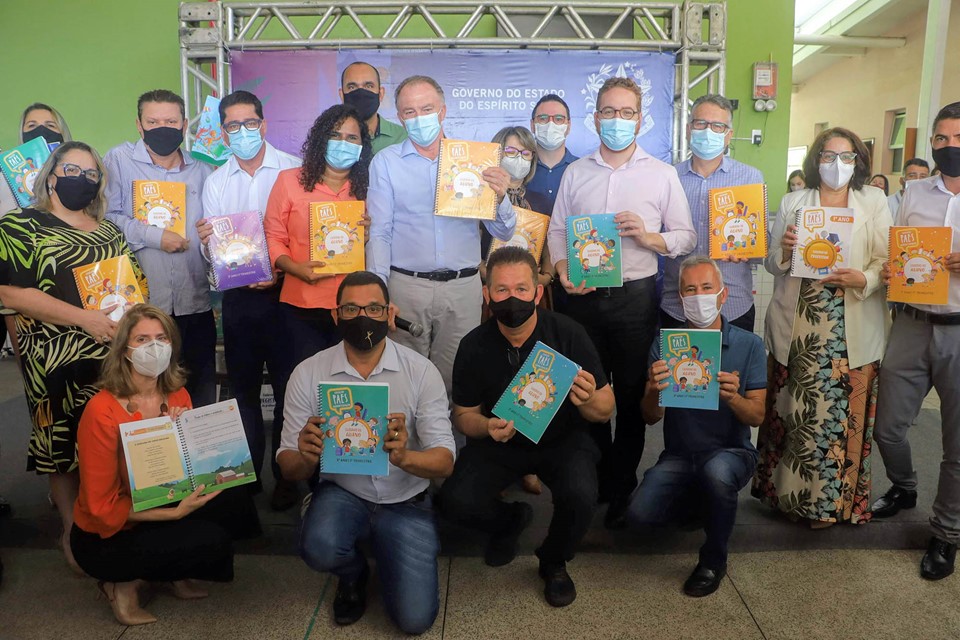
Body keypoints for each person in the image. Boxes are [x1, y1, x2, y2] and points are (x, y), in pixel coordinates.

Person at [546, 76, 696, 528]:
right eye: (609, 112)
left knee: (630, 399)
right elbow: (557, 230)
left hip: (634, 299)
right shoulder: (577, 172)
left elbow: (686, 237)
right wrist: (562, 269)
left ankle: (620, 486)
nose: (617, 120)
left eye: (626, 113)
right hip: (582, 300)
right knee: (587, 393)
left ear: (640, 118)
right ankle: (592, 480)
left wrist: (650, 238)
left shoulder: (661, 173)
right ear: (595, 119)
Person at [278, 271, 456, 634]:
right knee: (320, 547)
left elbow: (445, 461)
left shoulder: (421, 372)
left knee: (414, 620)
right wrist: (306, 456)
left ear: (389, 314)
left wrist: (405, 457)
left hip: (406, 500)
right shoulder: (308, 373)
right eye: (351, 309)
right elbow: (287, 465)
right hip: (343, 492)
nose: (363, 317)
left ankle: (393, 555)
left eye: (374, 308)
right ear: (336, 315)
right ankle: (352, 572)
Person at [0, 142, 147, 573]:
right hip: (53, 356)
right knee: (61, 443)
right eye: (71, 170)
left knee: (112, 439)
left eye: (90, 173)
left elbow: (135, 286)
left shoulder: (108, 231)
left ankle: (113, 518)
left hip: (113, 357)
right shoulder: (19, 225)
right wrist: (85, 320)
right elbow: (10, 292)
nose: (81, 179)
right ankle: (72, 529)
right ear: (51, 176)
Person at [439, 246, 614, 607]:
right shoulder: (473, 345)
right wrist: (487, 427)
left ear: (537, 292)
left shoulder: (568, 333)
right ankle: (509, 521)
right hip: (501, 441)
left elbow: (605, 409)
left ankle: (554, 560)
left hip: (562, 439)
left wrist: (586, 400)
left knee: (581, 496)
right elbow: (463, 415)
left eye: (521, 289)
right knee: (454, 501)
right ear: (487, 294)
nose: (512, 299)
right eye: (501, 290)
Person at [753, 127, 891, 528]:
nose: (837, 165)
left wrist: (863, 278)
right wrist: (785, 251)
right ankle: (784, 497)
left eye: (846, 157)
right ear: (816, 160)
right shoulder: (795, 200)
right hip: (799, 322)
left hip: (850, 320)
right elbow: (771, 262)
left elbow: (887, 259)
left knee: (835, 417)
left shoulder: (873, 200)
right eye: (828, 156)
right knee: (794, 412)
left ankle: (829, 506)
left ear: (858, 162)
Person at [72, 304, 234, 626]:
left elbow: (184, 473)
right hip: (108, 533)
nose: (154, 347)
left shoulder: (178, 395)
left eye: (162, 338)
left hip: (158, 500)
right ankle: (120, 585)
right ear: (124, 350)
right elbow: (100, 508)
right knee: (207, 538)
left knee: (235, 500)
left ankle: (172, 574)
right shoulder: (101, 410)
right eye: (142, 339)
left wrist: (185, 435)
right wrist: (175, 513)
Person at [365, 74, 515, 402]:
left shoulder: (474, 162)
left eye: (427, 109)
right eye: (409, 112)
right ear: (399, 117)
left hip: (463, 289)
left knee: (459, 382)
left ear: (443, 111)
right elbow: (379, 233)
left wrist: (501, 197)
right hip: (406, 287)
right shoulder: (386, 163)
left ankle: (454, 439)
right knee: (403, 383)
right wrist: (378, 292)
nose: (419, 118)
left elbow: (504, 232)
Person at [629, 256, 766, 597]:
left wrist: (733, 398)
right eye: (690, 289)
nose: (699, 296)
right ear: (680, 298)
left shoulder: (749, 344)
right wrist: (653, 390)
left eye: (707, 287)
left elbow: (757, 416)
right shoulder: (665, 344)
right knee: (639, 516)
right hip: (680, 454)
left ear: (723, 294)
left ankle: (713, 560)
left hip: (731, 452)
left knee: (717, 473)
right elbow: (650, 416)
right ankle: (702, 502)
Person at [197, 90, 303, 511]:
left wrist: (279, 269)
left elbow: (304, 233)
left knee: (289, 390)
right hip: (240, 299)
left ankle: (286, 476)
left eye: (250, 122)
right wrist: (207, 242)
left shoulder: (295, 169)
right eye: (233, 125)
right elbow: (212, 251)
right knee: (242, 392)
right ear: (223, 133)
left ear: (264, 123)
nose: (243, 131)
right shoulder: (216, 182)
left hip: (288, 295)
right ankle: (245, 480)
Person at [871, 102, 960, 580]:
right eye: (942, 138)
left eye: (958, 138)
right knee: (887, 428)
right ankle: (904, 486)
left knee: (957, 446)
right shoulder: (914, 192)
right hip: (910, 322)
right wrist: (892, 271)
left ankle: (946, 532)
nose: (950, 146)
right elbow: (899, 250)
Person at [104, 89, 216, 407]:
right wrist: (155, 236)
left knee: (198, 395)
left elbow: (214, 231)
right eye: (153, 122)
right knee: (143, 398)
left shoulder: (203, 172)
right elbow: (107, 218)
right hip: (141, 309)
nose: (161, 128)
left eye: (170, 121)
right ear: (139, 125)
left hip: (194, 304)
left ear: (184, 125)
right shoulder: (118, 160)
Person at [264, 104, 373, 369]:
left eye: (351, 138)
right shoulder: (288, 181)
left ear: (362, 146)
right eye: (335, 135)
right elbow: (273, 236)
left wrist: (368, 235)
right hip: (301, 303)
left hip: (353, 306)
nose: (342, 143)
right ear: (320, 139)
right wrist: (295, 268)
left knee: (348, 381)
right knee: (302, 380)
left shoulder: (370, 187)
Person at [661, 94, 764, 333]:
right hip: (678, 305)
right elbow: (657, 236)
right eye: (701, 123)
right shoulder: (668, 177)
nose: (708, 131)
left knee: (734, 360)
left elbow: (762, 246)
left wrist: (748, 251)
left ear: (728, 134)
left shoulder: (750, 178)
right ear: (689, 129)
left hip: (733, 305)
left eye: (718, 126)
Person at [339, 61, 407, 155]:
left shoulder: (403, 137)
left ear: (381, 94)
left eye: (369, 86)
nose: (361, 93)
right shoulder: (330, 138)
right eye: (352, 87)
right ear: (342, 95)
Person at [525, 94, 578, 216]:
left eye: (558, 119)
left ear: (568, 126)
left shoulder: (582, 170)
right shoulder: (519, 167)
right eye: (543, 118)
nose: (550, 124)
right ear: (532, 125)